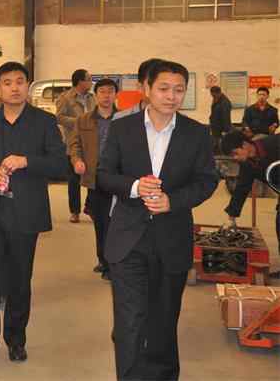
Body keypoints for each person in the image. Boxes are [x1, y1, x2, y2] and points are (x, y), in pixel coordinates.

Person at [97, 60, 219, 381]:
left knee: (164, 320)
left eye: (179, 90)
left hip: (172, 238)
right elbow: (104, 175)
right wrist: (135, 187)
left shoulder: (196, 133)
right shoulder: (123, 129)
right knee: (129, 321)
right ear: (146, 89)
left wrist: (173, 201)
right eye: (164, 88)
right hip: (128, 239)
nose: (171, 96)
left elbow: (207, 181)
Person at [0, 62, 68, 364]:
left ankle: (16, 340)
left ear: (27, 85)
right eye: (7, 82)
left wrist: (27, 161)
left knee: (20, 280)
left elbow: (59, 164)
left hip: (25, 211)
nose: (14, 87)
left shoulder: (44, 122)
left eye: (20, 81)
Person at [68, 78, 118, 280]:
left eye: (110, 91)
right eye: (102, 91)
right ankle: (103, 260)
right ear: (96, 96)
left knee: (115, 222)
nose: (106, 95)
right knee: (101, 222)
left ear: (115, 95)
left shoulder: (124, 119)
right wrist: (77, 160)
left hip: (118, 179)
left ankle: (111, 263)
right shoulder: (84, 120)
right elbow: (74, 144)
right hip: (95, 178)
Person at [221, 130, 280, 279]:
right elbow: (241, 188)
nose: (235, 158)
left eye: (235, 153)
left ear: (245, 145)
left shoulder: (275, 144)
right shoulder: (248, 164)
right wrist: (231, 217)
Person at [56, 69, 95, 223]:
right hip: (73, 143)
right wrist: (79, 122)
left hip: (91, 143)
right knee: (74, 180)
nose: (91, 82)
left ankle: (91, 208)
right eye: (89, 79)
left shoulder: (92, 97)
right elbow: (59, 117)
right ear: (80, 82)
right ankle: (74, 211)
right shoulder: (65, 98)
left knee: (94, 177)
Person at [209, 86, 233, 154]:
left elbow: (226, 117)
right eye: (212, 95)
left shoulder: (225, 102)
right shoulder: (217, 100)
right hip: (216, 128)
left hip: (221, 129)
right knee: (216, 147)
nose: (213, 97)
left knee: (221, 148)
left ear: (218, 93)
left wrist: (225, 130)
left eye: (213, 95)